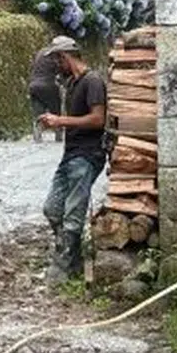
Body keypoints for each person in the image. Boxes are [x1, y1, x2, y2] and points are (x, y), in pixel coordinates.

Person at [37, 36, 107, 285]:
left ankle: (64, 266)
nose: (56, 66)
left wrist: (61, 121)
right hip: (71, 154)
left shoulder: (93, 81)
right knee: (52, 208)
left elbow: (98, 119)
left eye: (57, 60)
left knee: (74, 212)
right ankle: (73, 258)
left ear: (65, 56)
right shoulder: (73, 83)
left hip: (88, 155)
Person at [28, 45, 63, 142]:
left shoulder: (41, 52)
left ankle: (38, 131)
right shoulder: (55, 55)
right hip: (48, 85)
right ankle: (58, 133)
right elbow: (61, 70)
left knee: (38, 111)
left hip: (33, 85)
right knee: (55, 108)